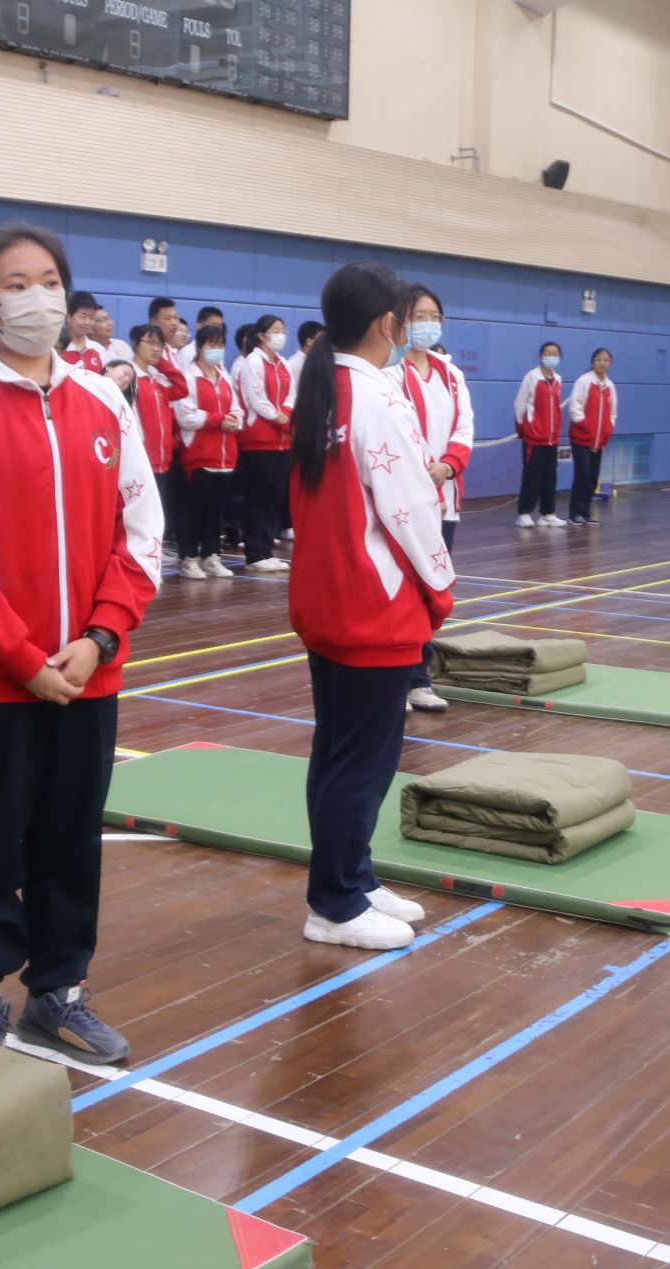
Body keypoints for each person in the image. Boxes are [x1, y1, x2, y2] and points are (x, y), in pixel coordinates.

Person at [0, 222, 162, 1063]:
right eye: (17, 284)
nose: (39, 298)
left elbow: (142, 532)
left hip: (89, 672)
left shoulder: (104, 401)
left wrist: (100, 638)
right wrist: (22, 660)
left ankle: (59, 993)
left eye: (49, 280)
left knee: (70, 836)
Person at [287, 261, 456, 952]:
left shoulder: (321, 386)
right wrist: (439, 588)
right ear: (390, 324)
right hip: (372, 604)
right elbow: (411, 509)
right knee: (361, 762)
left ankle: (351, 874)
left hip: (328, 598)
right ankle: (333, 902)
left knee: (337, 751)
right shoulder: (376, 396)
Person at [388, 285, 474, 714]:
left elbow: (464, 427)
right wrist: (427, 482)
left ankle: (420, 679)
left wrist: (447, 468)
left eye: (434, 316)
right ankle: (395, 681)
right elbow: (399, 434)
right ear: (401, 322)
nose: (428, 324)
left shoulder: (450, 374)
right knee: (402, 590)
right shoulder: (389, 373)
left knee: (432, 589)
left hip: (446, 498)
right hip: (407, 501)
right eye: (419, 316)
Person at [172, 323, 243, 579]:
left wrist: (234, 420)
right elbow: (185, 416)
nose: (217, 349)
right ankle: (188, 557)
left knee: (215, 511)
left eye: (221, 345)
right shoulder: (188, 378)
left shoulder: (225, 378)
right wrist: (217, 420)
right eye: (212, 344)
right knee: (194, 510)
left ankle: (211, 555)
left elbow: (238, 410)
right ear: (201, 347)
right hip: (199, 456)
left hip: (225, 458)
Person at [237, 313, 296, 573]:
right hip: (260, 439)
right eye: (275, 330)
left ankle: (267, 549)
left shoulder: (283, 364)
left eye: (282, 330)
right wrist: (277, 416)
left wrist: (287, 414)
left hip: (283, 439)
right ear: (261, 335)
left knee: (274, 497)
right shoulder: (253, 361)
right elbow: (256, 397)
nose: (280, 335)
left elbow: (292, 395)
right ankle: (254, 552)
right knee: (257, 497)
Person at [131, 323, 183, 554]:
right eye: (150, 343)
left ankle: (153, 550)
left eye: (160, 345)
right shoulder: (130, 376)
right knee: (139, 511)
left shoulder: (157, 379)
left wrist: (161, 362)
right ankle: (139, 552)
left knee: (157, 509)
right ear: (135, 343)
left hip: (162, 458)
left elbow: (181, 388)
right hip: (142, 458)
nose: (155, 349)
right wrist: (139, 452)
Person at [514, 341, 566, 527]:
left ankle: (547, 513)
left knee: (550, 477)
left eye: (555, 353)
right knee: (532, 476)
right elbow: (520, 404)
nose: (551, 356)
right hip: (533, 438)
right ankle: (524, 513)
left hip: (551, 439)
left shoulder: (558, 379)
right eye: (547, 353)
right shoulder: (531, 377)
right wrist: (523, 429)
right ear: (540, 356)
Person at [565, 348, 617, 527]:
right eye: (599, 359)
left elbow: (612, 413)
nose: (602, 363)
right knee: (583, 474)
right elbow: (575, 409)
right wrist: (588, 427)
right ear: (593, 361)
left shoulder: (610, 386)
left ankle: (586, 512)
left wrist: (607, 429)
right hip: (581, 438)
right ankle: (575, 513)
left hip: (599, 440)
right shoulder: (584, 381)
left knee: (593, 477)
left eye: (606, 360)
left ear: (610, 363)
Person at [61, 291, 106, 372]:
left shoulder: (98, 349)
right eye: (83, 317)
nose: (87, 322)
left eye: (91, 318)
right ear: (68, 317)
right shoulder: (58, 348)